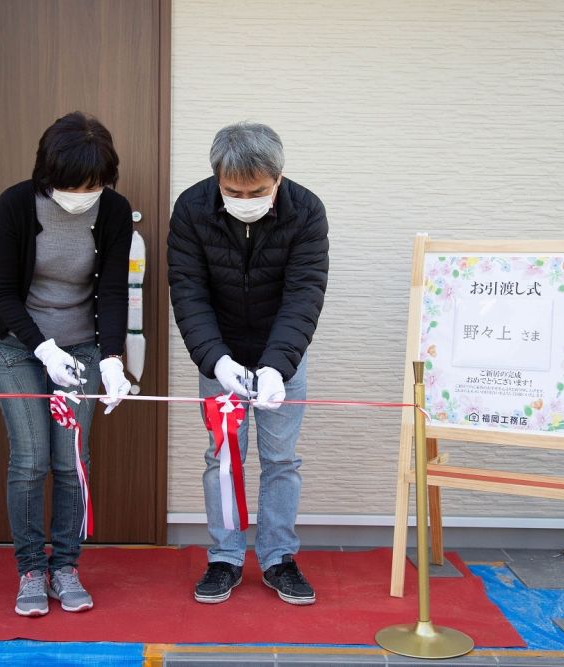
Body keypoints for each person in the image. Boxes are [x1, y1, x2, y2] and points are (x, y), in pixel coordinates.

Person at [167, 122, 329, 605]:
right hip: (219, 354)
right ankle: (225, 556)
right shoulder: (192, 209)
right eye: (232, 190)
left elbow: (304, 294)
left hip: (284, 353)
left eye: (256, 191)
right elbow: (188, 292)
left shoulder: (307, 211)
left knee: (281, 458)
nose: (244, 197)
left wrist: (279, 365)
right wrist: (216, 361)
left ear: (278, 178)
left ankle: (279, 557)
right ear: (216, 177)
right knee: (223, 457)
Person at [0, 111, 133, 617]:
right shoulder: (15, 204)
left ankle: (66, 566)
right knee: (29, 458)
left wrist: (112, 358)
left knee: (71, 459)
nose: (82, 194)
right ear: (48, 174)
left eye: (93, 185)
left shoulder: (114, 211)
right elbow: (3, 294)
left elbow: (113, 292)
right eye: (72, 185)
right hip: (17, 345)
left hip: (83, 346)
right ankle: (31, 568)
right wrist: (43, 350)